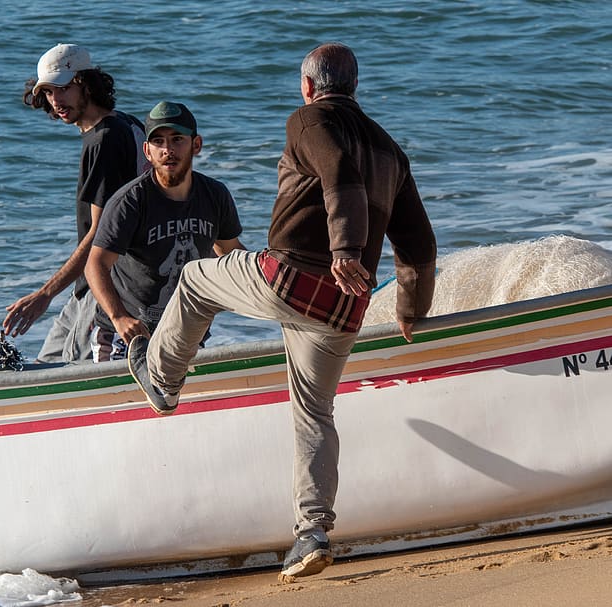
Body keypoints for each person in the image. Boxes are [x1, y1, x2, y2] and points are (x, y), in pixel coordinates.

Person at [127, 43, 437, 580]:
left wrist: (343, 250)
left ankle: (161, 378)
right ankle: (311, 534)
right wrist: (411, 308)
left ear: (309, 87)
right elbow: (419, 244)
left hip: (291, 278)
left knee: (197, 278)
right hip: (345, 305)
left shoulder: (308, 119)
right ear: (355, 87)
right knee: (314, 411)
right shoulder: (390, 149)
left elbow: (339, 174)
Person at [3, 43, 147, 363]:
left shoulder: (104, 140)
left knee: (67, 375)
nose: (56, 100)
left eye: (64, 88)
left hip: (107, 284)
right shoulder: (128, 123)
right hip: (93, 285)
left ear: (87, 83)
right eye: (49, 92)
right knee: (43, 367)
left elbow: (101, 233)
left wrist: (44, 294)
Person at [85, 101, 244, 362]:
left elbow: (232, 255)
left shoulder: (214, 195)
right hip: (127, 335)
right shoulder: (130, 201)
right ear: (147, 151)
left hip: (186, 329)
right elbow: (96, 265)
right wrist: (119, 317)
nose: (167, 150)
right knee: (131, 402)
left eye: (177, 139)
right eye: (158, 142)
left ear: (196, 145)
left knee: (182, 401)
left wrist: (273, 282)